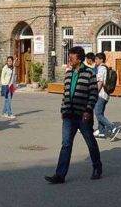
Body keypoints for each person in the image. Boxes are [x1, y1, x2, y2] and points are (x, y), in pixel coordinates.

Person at [45, 46, 102, 184]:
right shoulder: (69, 73)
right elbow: (65, 94)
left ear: (79, 58)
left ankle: (97, 167)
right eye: (69, 56)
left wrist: (88, 111)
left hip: (83, 116)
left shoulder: (89, 73)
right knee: (66, 144)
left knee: (90, 142)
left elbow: (94, 94)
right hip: (68, 116)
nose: (69, 58)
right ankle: (60, 175)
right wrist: (63, 110)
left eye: (72, 56)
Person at [93, 53, 120, 141]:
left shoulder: (101, 68)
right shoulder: (106, 68)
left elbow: (100, 82)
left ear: (101, 60)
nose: (95, 61)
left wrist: (95, 93)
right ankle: (101, 132)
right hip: (106, 95)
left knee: (98, 113)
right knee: (100, 113)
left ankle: (112, 128)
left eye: (96, 59)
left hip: (101, 94)